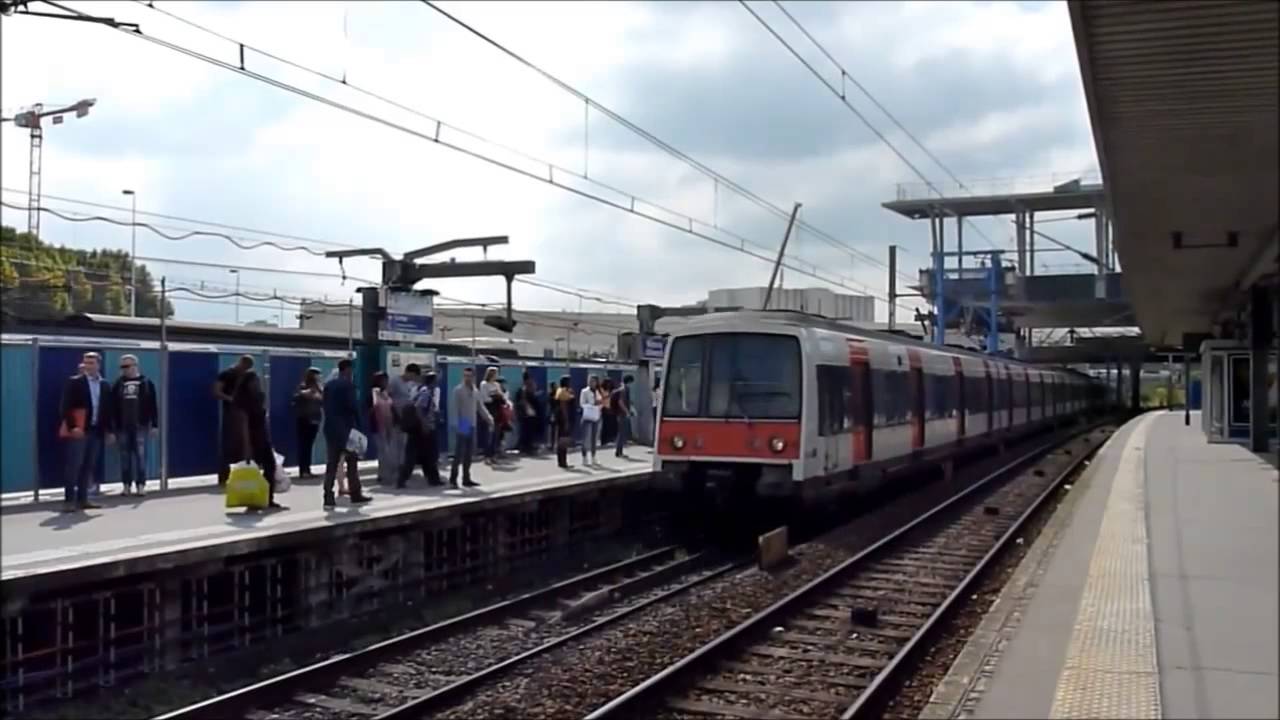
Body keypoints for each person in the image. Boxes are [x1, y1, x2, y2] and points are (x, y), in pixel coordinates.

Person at [59, 352, 112, 512]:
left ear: (98, 364)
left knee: (88, 466)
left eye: (91, 363)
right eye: (86, 362)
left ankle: (83, 500)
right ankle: (69, 501)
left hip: (96, 430)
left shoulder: (104, 385)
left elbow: (107, 410)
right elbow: (65, 407)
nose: (88, 366)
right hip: (80, 430)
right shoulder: (75, 382)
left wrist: (109, 431)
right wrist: (73, 426)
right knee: (74, 465)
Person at [323, 359, 371, 509]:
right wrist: (361, 427)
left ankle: (328, 496)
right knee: (351, 462)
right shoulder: (348, 385)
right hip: (347, 430)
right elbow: (353, 407)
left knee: (332, 464)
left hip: (331, 428)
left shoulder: (329, 385)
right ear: (348, 369)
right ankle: (355, 493)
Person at [238, 366, 286, 511]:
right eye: (255, 381)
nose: (257, 383)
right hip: (253, 437)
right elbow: (244, 423)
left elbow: (264, 419)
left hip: (262, 436)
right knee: (256, 469)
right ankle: (257, 499)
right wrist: (246, 446)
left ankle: (265, 497)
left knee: (269, 466)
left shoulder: (259, 397)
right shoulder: (243, 401)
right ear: (248, 383)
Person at [110, 354, 159, 496]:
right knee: (124, 457)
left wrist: (154, 425)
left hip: (141, 426)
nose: (124, 369)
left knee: (141, 457)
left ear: (135, 366)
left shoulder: (146, 382)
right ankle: (126, 485)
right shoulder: (118, 384)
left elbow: (152, 405)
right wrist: (113, 427)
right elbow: (112, 407)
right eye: (122, 367)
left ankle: (141, 485)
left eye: (127, 366)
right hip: (123, 427)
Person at [213, 355, 254, 487]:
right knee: (228, 444)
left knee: (244, 445)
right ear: (240, 363)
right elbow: (216, 391)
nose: (245, 370)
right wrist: (230, 399)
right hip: (231, 412)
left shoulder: (247, 376)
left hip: (245, 412)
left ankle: (242, 475)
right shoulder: (226, 374)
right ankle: (224, 477)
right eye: (245, 367)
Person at [449, 367, 492, 488]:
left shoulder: (475, 391)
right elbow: (455, 409)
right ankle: (453, 478)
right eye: (465, 376)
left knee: (469, 454)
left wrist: (488, 418)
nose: (467, 378)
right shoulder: (458, 390)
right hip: (463, 423)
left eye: (469, 376)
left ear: (473, 377)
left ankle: (466, 478)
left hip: (472, 423)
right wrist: (456, 425)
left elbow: (480, 407)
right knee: (459, 453)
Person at [406, 370, 443, 486]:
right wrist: (424, 424)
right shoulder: (426, 392)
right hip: (426, 427)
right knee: (430, 454)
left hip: (425, 427)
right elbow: (419, 408)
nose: (437, 383)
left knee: (426, 455)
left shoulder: (425, 390)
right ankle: (433, 479)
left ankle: (432, 479)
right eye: (435, 381)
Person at [388, 364, 421, 487]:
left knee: (404, 447)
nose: (414, 379)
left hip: (406, 420)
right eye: (413, 375)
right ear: (409, 372)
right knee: (395, 447)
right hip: (396, 418)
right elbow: (388, 398)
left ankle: (402, 472)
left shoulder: (410, 385)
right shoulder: (395, 381)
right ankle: (393, 473)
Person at [291, 368, 323, 479]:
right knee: (304, 445)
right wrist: (307, 393)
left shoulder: (318, 388)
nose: (318, 377)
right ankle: (303, 470)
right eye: (316, 375)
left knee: (308, 445)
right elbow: (297, 396)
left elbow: (322, 400)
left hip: (314, 419)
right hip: (304, 419)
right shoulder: (303, 386)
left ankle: (307, 469)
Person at [369, 372, 398, 486]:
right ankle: (384, 475)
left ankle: (385, 474)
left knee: (388, 451)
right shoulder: (374, 393)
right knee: (383, 451)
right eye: (385, 380)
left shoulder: (386, 393)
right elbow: (374, 406)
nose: (386, 383)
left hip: (388, 425)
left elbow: (391, 407)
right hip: (379, 425)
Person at [479, 367, 506, 464]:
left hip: (497, 410)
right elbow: (484, 398)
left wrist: (499, 396)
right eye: (495, 374)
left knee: (496, 434)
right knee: (488, 434)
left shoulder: (497, 384)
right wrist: (493, 396)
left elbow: (503, 396)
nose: (496, 376)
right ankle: (487, 455)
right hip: (489, 409)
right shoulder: (484, 384)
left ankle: (494, 455)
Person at [579, 375, 604, 466]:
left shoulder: (598, 392)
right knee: (585, 438)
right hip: (587, 417)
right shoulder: (584, 391)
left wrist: (599, 405)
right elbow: (582, 404)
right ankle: (584, 457)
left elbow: (601, 403)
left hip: (596, 417)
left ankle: (593, 457)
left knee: (594, 438)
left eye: (594, 381)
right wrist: (592, 405)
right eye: (590, 381)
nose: (592, 383)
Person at [551, 375, 576, 469]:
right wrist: (566, 421)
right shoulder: (562, 392)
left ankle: (562, 461)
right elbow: (563, 407)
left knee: (562, 440)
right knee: (562, 441)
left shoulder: (562, 391)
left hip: (562, 419)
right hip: (563, 419)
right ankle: (562, 462)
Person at [514, 373, 540, 456]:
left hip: (527, 413)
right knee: (526, 431)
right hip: (527, 413)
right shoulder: (525, 390)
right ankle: (526, 447)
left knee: (527, 431)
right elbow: (524, 401)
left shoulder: (522, 390)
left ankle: (526, 447)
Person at [613, 374, 636, 458]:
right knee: (622, 433)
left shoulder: (623, 388)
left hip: (621, 414)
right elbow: (621, 402)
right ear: (629, 381)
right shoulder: (624, 389)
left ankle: (619, 451)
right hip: (622, 414)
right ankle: (619, 452)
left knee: (622, 433)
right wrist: (627, 412)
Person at [600, 378, 617, 447]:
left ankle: (611, 439)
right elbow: (602, 398)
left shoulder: (612, 390)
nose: (609, 385)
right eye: (607, 383)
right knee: (605, 425)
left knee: (612, 425)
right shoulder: (602, 390)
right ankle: (604, 440)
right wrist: (609, 395)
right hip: (605, 408)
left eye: (610, 383)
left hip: (612, 409)